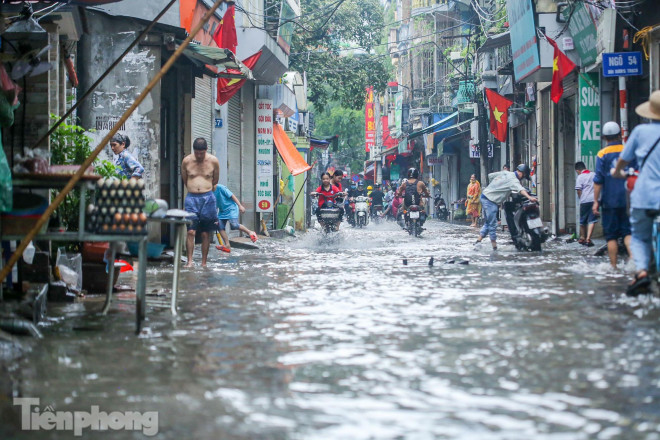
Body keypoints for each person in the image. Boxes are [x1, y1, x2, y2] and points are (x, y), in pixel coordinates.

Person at [612, 90, 660, 295]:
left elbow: (623, 159)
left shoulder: (640, 132)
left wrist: (617, 171)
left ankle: (641, 272)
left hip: (644, 196)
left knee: (639, 237)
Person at [592, 121, 634, 269]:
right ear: (619, 135)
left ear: (604, 137)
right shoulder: (627, 150)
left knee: (611, 236)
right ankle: (634, 264)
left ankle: (614, 268)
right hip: (628, 200)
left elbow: (598, 181)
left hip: (609, 201)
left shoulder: (602, 154)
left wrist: (596, 201)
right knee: (628, 232)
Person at [475, 164, 537, 250]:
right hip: (490, 201)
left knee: (488, 223)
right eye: (524, 176)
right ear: (522, 173)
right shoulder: (514, 180)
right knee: (493, 224)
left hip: (485, 196)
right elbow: (521, 189)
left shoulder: (506, 173)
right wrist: (530, 197)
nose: (522, 178)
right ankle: (494, 247)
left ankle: (478, 241)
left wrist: (498, 187)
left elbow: (490, 176)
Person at [182, 137, 220, 268]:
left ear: (206, 150)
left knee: (205, 233)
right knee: (191, 231)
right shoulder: (186, 161)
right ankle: (190, 261)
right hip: (192, 199)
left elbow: (215, 180)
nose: (199, 156)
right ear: (194, 151)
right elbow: (185, 179)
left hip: (208, 198)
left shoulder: (213, 161)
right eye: (197, 153)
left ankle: (204, 263)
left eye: (201, 153)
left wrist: (205, 189)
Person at [214, 184, 257, 253]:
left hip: (231, 209)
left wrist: (240, 205)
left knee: (234, 225)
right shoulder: (208, 191)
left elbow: (232, 196)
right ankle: (227, 245)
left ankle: (250, 232)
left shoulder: (220, 187)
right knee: (219, 226)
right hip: (222, 211)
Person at [574, 161, 597, 246]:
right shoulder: (594, 174)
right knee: (592, 220)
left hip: (584, 201)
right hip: (594, 200)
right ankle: (588, 239)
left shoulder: (580, 177)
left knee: (582, 220)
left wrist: (581, 198)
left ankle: (583, 237)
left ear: (577, 170)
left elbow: (579, 190)